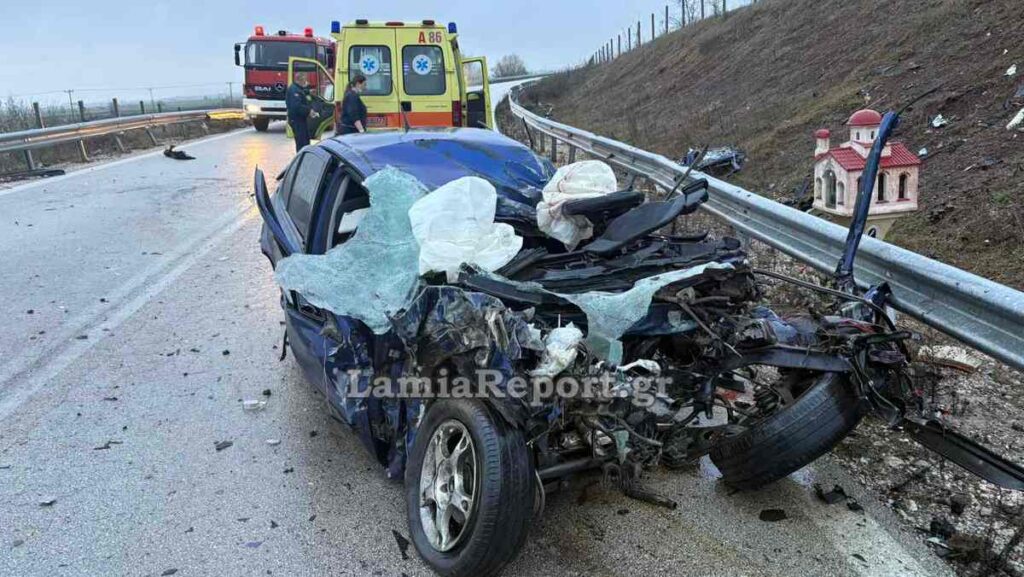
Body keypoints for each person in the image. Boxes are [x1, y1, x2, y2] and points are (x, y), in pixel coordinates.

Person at [285, 72, 316, 152]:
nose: (306, 82)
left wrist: (308, 92)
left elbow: (301, 92)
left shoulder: (296, 88)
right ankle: (301, 157)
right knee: (302, 142)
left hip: (300, 120)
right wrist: (309, 111)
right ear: (300, 80)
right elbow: (296, 107)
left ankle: (303, 156)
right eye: (305, 80)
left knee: (305, 140)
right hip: (297, 121)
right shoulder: (294, 90)